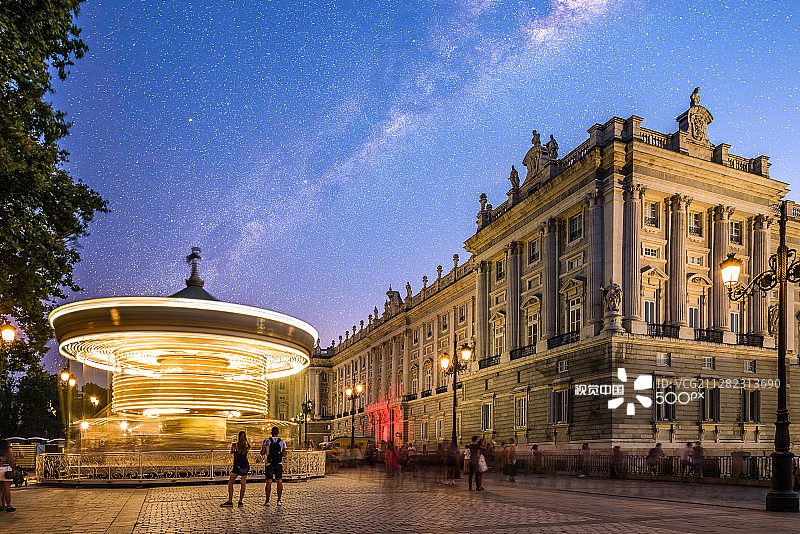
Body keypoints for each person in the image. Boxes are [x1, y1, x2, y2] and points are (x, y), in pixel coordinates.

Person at [221, 431, 250, 507]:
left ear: (238, 437)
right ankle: (240, 501)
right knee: (243, 483)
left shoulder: (234, 445)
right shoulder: (247, 445)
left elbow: (231, 452)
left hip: (237, 466)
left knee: (231, 483)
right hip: (245, 466)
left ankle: (230, 500)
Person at [261, 426, 286, 506]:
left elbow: (262, 452)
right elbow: (284, 454)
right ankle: (279, 500)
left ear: (271, 433)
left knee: (268, 482)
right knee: (279, 481)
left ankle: (267, 501)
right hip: (278, 463)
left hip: (269, 463)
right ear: (278, 433)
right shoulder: (282, 441)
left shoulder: (266, 441)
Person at [0, 439, 16, 511]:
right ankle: (8, 506)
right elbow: (12, 460)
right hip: (6, 469)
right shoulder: (8, 449)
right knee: (7, 489)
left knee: (0, 490)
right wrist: (13, 468)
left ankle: (1, 506)